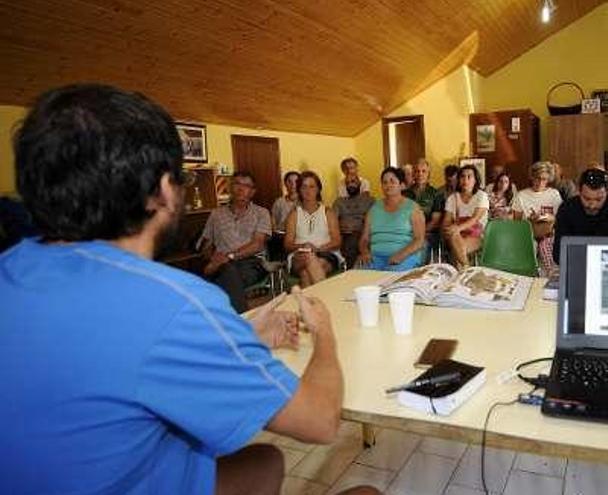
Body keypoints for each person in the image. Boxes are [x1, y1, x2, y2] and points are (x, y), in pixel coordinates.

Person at [0, 84, 378, 495]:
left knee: (264, 460)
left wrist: (240, 338)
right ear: (163, 190)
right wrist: (323, 331)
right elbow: (321, 422)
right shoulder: (174, 303)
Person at [200, 171, 272, 313]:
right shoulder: (216, 214)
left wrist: (227, 258)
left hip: (251, 262)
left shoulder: (261, 213)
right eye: (237, 184)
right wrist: (212, 258)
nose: (241, 188)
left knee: (224, 274)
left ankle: (237, 316)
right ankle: (241, 318)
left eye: (246, 186)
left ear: (252, 192)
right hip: (220, 262)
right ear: (230, 187)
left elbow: (257, 244)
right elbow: (206, 246)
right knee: (225, 273)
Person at [553, 169, 608, 262]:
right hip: (576, 263)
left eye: (598, 199)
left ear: (607, 193)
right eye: (586, 198)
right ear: (579, 191)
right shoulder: (567, 209)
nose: (592, 205)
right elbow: (559, 254)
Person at [358, 167, 425, 271]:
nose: (388, 185)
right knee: (357, 274)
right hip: (375, 257)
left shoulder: (413, 208)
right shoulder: (374, 209)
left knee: (391, 278)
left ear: (402, 185)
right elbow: (364, 239)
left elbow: (419, 240)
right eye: (384, 182)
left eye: (392, 181)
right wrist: (365, 252)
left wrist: (401, 255)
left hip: (405, 256)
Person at [284, 171, 343, 287]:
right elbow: (287, 244)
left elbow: (337, 241)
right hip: (299, 256)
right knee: (309, 257)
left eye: (312, 186)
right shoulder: (294, 214)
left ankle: (311, 304)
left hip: (326, 253)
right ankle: (326, 300)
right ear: (299, 190)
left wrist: (318, 249)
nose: (308, 191)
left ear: (318, 189)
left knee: (306, 274)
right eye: (304, 187)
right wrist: (303, 246)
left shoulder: (328, 212)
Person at [512, 162, 563, 275]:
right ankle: (532, 274)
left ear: (548, 179)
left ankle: (553, 275)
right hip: (529, 234)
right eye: (537, 178)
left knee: (545, 245)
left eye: (544, 179)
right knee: (532, 245)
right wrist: (531, 220)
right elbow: (517, 224)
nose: (540, 182)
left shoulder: (554, 194)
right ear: (532, 177)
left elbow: (560, 219)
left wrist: (548, 217)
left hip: (549, 234)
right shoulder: (521, 196)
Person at [443, 164, 489, 269]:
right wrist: (448, 230)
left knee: (457, 249)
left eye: (469, 176)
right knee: (455, 238)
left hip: (478, 236)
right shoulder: (452, 198)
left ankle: (463, 270)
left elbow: (475, 219)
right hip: (455, 235)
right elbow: (446, 221)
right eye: (462, 176)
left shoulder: (481, 196)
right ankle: (467, 270)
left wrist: (457, 228)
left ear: (475, 180)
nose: (465, 180)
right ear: (458, 180)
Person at [403, 158, 445, 262]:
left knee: (419, 248)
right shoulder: (404, 194)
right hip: (406, 233)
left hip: (428, 234)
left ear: (428, 174)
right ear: (413, 174)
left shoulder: (436, 194)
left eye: (423, 171)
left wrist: (419, 233)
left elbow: (435, 221)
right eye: (417, 171)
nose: (420, 174)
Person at [333, 173, 375, 269]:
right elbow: (332, 222)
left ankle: (352, 270)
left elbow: (374, 221)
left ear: (360, 183)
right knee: (351, 240)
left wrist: (359, 227)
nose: (350, 185)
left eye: (353, 182)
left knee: (355, 239)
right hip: (345, 235)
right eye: (347, 183)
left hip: (364, 234)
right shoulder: (339, 202)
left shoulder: (370, 201)